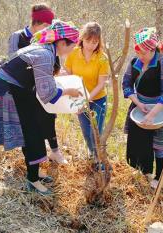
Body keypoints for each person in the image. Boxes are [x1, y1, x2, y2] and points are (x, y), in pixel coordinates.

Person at [0, 20, 81, 196]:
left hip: (16, 89)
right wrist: (69, 91)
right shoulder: (45, 55)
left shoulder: (44, 49)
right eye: (72, 46)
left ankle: (33, 173)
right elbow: (47, 94)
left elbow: (42, 82)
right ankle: (33, 180)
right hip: (8, 92)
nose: (72, 50)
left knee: (32, 130)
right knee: (32, 133)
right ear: (62, 43)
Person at [7, 4, 66, 164]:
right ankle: (33, 160)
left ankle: (54, 152)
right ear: (42, 24)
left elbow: (55, 64)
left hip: (42, 86)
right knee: (28, 126)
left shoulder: (48, 39)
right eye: (48, 25)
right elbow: (12, 60)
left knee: (48, 117)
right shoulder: (17, 37)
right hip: (24, 90)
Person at [122, 27, 163, 189]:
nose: (141, 57)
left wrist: (152, 115)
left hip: (160, 110)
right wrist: (138, 103)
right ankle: (144, 170)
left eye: (144, 54)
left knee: (158, 145)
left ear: (153, 49)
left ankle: (160, 177)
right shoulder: (135, 63)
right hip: (140, 106)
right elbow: (126, 85)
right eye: (138, 53)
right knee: (139, 141)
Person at [64, 22, 109, 159]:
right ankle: (92, 151)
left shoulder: (102, 58)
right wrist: (77, 100)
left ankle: (98, 157)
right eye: (88, 41)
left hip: (98, 99)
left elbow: (101, 84)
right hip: (79, 97)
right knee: (85, 131)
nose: (91, 45)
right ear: (82, 38)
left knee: (95, 131)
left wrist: (86, 100)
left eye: (95, 42)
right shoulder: (73, 53)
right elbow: (69, 75)